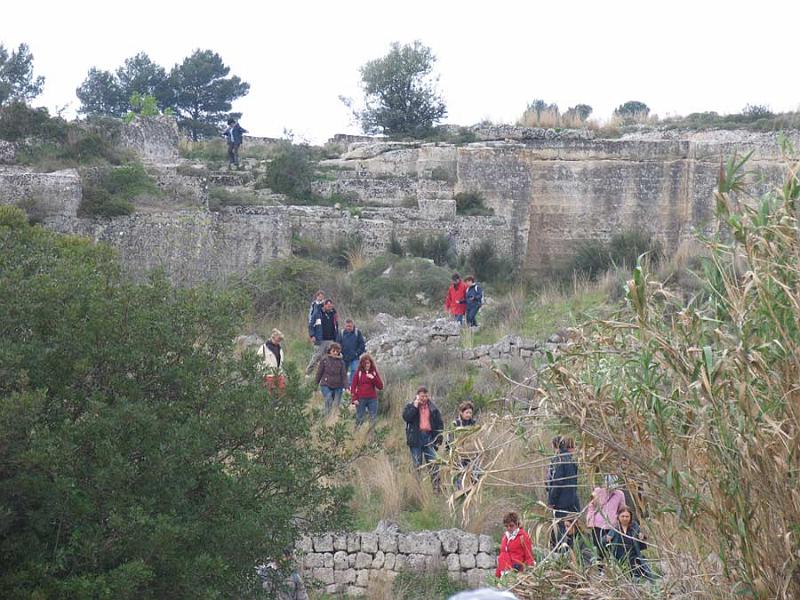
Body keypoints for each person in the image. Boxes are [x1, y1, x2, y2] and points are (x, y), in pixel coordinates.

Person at [402, 386, 444, 491]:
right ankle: (417, 490)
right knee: (417, 465)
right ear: (417, 396)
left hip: (429, 438)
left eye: (426, 396)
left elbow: (439, 423)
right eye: (422, 396)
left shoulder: (433, 408)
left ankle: (437, 489)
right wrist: (415, 405)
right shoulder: (411, 406)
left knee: (434, 464)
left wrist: (439, 439)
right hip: (416, 438)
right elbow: (406, 417)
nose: (424, 398)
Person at [547, 436, 581, 548]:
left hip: (561, 501)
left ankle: (559, 551)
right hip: (572, 498)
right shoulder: (572, 459)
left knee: (560, 527)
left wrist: (551, 501)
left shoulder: (559, 459)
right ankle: (574, 551)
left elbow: (557, 482)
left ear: (554, 445)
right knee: (573, 526)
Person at [607, 505, 655, 580]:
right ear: (618, 517)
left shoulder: (634, 526)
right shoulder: (615, 528)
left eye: (627, 516)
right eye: (622, 516)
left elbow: (642, 536)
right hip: (620, 558)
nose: (625, 518)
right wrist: (607, 539)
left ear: (630, 517)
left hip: (634, 557)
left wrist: (642, 537)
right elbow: (605, 540)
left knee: (642, 575)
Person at [586, 475, 626, 561]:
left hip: (612, 525)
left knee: (611, 548)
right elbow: (591, 507)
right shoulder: (598, 492)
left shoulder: (620, 494)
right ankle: (601, 570)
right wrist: (590, 521)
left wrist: (620, 522)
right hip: (597, 524)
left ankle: (611, 568)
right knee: (598, 548)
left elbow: (622, 509)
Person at [450, 401, 480, 490]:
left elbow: (478, 437)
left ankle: (473, 491)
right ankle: (458, 493)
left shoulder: (474, 424)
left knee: (476, 473)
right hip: (458, 454)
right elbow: (450, 439)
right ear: (461, 412)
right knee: (458, 475)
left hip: (472, 453)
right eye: (466, 412)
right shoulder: (455, 424)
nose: (469, 415)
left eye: (470, 413)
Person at [495, 512, 534, 577]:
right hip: (504, 573)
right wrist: (497, 576)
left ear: (517, 524)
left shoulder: (523, 536)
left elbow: (529, 556)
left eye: (511, 525)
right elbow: (502, 556)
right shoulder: (505, 538)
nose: (509, 528)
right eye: (506, 526)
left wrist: (528, 573)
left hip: (517, 572)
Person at [306, 298, 339, 375]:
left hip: (331, 340)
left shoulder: (333, 314)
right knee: (317, 357)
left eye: (331, 306)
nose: (329, 308)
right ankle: (308, 373)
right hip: (321, 340)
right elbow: (311, 325)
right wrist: (312, 335)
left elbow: (336, 326)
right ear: (324, 305)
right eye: (328, 306)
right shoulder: (318, 313)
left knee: (332, 357)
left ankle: (329, 374)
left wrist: (337, 337)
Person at [350, 353, 383, 426]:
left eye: (368, 363)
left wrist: (373, 378)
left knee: (373, 418)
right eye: (364, 363)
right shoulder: (358, 373)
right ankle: (357, 435)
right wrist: (354, 399)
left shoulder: (374, 373)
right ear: (361, 364)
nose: (367, 365)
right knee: (360, 418)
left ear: (371, 363)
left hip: (372, 399)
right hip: (361, 399)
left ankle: (371, 436)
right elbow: (353, 387)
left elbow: (380, 386)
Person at [315, 342, 347, 415]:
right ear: (330, 350)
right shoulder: (324, 360)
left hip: (338, 386)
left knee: (336, 404)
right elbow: (319, 373)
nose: (335, 353)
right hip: (325, 384)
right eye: (333, 351)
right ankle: (326, 417)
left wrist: (346, 387)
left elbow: (344, 375)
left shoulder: (341, 362)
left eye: (337, 351)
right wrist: (314, 385)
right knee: (328, 399)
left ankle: (334, 419)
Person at [338, 318, 366, 387]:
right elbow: (337, 344)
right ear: (345, 326)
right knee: (343, 372)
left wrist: (357, 353)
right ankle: (343, 386)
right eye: (347, 326)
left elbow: (362, 345)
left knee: (354, 370)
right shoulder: (341, 333)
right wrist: (339, 353)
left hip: (354, 357)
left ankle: (352, 386)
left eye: (350, 326)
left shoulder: (357, 332)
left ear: (353, 325)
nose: (348, 328)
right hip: (344, 357)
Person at [256, 328, 286, 393]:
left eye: (280, 339)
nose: (279, 340)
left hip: (279, 373)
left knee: (282, 390)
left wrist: (283, 373)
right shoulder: (263, 348)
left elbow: (281, 363)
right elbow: (258, 361)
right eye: (278, 339)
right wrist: (261, 374)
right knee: (269, 393)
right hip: (268, 374)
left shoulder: (280, 349)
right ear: (273, 337)